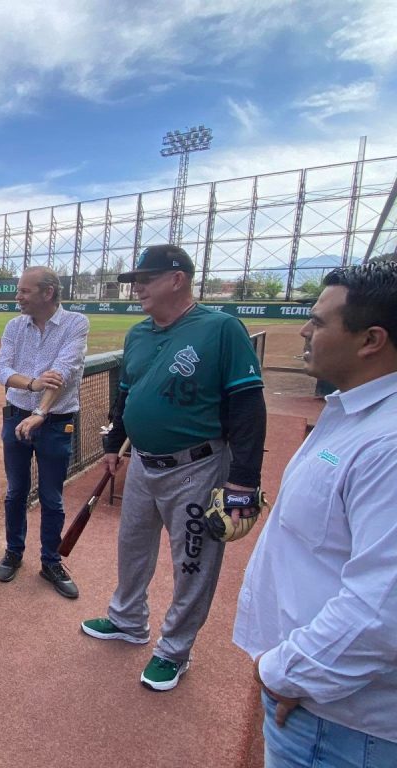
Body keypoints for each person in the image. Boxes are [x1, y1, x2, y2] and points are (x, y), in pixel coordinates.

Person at [81, 244, 266, 693]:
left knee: (192, 561)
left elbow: (247, 406)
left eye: (146, 279)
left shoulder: (221, 328)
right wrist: (112, 443)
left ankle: (175, 649)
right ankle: (128, 620)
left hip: (197, 467)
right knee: (132, 546)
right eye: (135, 281)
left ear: (177, 279)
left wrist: (244, 480)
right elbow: (126, 396)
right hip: (143, 462)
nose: (137, 289)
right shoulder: (138, 334)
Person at [234, 261, 397, 766]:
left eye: (320, 321)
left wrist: (286, 673)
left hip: (337, 723)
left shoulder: (388, 442)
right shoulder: (359, 414)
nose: (305, 331)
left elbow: (383, 609)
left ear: (370, 340)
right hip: (325, 704)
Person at [0, 266, 89, 599]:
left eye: (24, 291)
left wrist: (39, 413)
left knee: (52, 496)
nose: (17, 296)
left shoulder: (76, 323)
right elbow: (0, 369)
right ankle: (13, 552)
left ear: (48, 292)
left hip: (56, 422)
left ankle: (51, 561)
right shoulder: (14, 326)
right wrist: (32, 384)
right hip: (16, 416)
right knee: (15, 492)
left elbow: (62, 373)